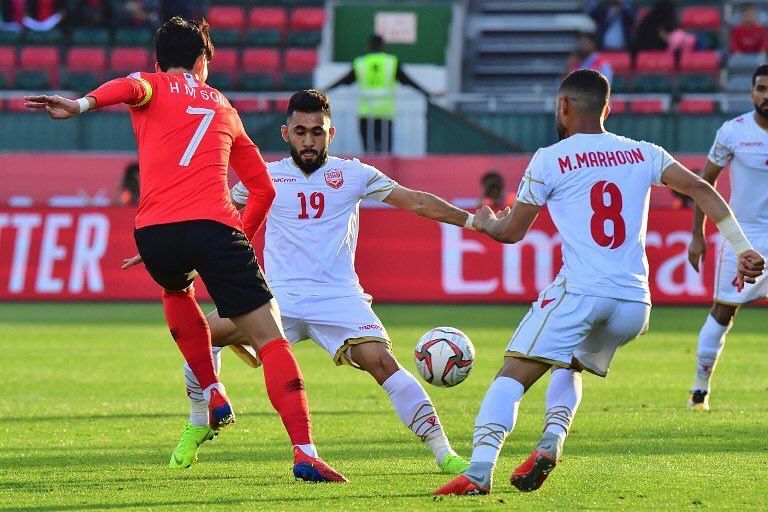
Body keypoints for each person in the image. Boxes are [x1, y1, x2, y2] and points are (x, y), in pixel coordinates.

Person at [25, 17, 346, 483]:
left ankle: (213, 390)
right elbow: (263, 190)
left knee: (177, 293)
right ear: (203, 62)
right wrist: (237, 242)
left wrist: (80, 104)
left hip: (154, 232)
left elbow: (126, 87)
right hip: (214, 227)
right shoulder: (223, 107)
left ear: (158, 60)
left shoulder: (150, 84)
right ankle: (304, 452)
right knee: (271, 341)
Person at [434, 69, 765, 496]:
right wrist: (742, 247)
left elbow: (512, 233)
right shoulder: (644, 152)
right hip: (633, 304)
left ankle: (478, 471)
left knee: (513, 373)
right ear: (607, 109)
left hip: (582, 291)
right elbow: (703, 188)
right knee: (571, 365)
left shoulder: (550, 158)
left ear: (564, 107)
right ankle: (551, 442)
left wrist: (485, 222)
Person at [161, 89, 473, 475]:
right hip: (275, 298)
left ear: (331, 133)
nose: (309, 141)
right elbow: (211, 216)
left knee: (383, 363)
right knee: (201, 334)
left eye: (317, 132)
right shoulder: (267, 176)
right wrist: (166, 242)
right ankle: (199, 419)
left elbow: (416, 202)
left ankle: (445, 453)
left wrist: (473, 221)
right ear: (285, 133)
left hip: (338, 296)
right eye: (300, 132)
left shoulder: (354, 174)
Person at [686, 65, 768, 411]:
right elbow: (705, 185)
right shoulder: (733, 132)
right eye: (762, 89)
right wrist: (697, 235)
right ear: (752, 93)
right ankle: (699, 390)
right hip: (743, 237)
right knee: (723, 312)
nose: (767, 96)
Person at [326, 34, 430, 154]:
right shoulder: (391, 62)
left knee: (369, 154)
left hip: (366, 114)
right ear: (383, 45)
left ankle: (370, 173)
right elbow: (409, 81)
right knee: (385, 153)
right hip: (385, 114)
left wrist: (324, 90)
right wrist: (429, 94)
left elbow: (343, 81)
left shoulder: (361, 63)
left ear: (369, 46)